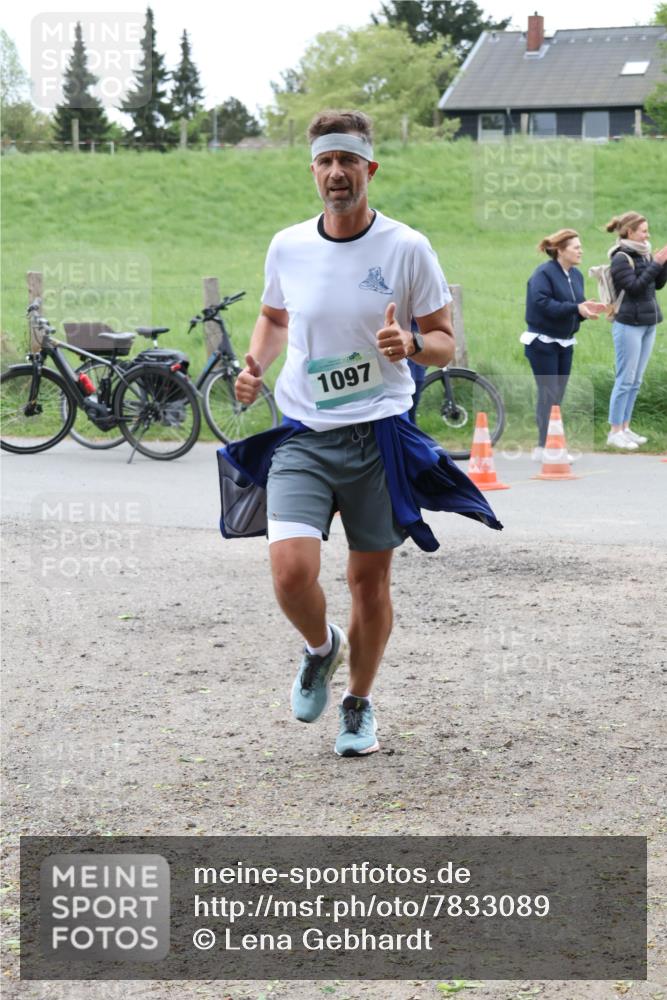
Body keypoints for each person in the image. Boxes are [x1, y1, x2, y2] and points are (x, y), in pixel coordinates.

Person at [230, 109, 501, 758]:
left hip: (377, 438)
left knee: (366, 583)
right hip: (302, 433)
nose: (335, 173)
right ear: (313, 172)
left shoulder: (406, 247)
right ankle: (320, 649)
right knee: (291, 572)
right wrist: (254, 364)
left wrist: (408, 341)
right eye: (324, 162)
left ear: (368, 169)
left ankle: (357, 704)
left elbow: (443, 341)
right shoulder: (287, 245)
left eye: (347, 161)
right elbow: (272, 317)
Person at [522, 229, 605, 461]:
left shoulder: (576, 276)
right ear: (560, 250)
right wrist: (575, 309)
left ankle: (544, 447)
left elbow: (573, 308)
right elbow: (542, 304)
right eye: (576, 247)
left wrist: (585, 311)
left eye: (580, 246)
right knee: (548, 394)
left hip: (566, 343)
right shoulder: (543, 274)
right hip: (542, 343)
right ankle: (548, 447)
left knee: (557, 395)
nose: (581, 251)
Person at [605, 212, 667, 450]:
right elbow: (633, 288)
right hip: (628, 324)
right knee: (625, 379)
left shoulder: (645, 253)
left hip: (648, 322)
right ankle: (614, 431)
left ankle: (626, 428)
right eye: (643, 231)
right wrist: (656, 264)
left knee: (636, 380)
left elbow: (656, 284)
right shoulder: (620, 258)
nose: (647, 234)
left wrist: (663, 263)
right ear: (630, 232)